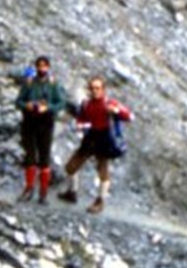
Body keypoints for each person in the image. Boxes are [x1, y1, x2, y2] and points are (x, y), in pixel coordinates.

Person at [57, 77, 134, 215]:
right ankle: (72, 192)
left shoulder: (110, 103)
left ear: (103, 89)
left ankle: (100, 201)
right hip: (90, 137)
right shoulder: (86, 104)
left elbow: (129, 116)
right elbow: (81, 118)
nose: (94, 91)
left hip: (105, 139)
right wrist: (81, 126)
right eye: (92, 88)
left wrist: (116, 111)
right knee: (71, 166)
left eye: (97, 88)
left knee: (102, 170)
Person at [13, 56, 67, 203]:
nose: (41, 69)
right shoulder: (29, 83)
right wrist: (27, 105)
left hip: (46, 123)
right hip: (29, 122)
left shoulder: (54, 84)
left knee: (44, 158)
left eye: (44, 66)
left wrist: (48, 107)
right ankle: (29, 188)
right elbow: (18, 101)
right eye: (39, 66)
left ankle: (43, 193)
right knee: (29, 156)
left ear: (48, 67)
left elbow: (61, 103)